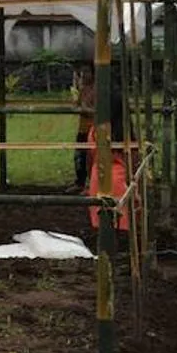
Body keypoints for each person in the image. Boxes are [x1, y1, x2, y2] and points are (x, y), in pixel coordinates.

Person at [85, 82, 131, 233]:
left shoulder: (96, 130)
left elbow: (90, 156)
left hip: (98, 176)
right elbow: (133, 159)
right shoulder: (126, 131)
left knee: (101, 225)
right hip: (121, 179)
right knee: (121, 224)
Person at [70, 62, 96, 193]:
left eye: (86, 72)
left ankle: (91, 185)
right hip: (82, 128)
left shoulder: (97, 89)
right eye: (82, 72)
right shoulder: (83, 89)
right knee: (79, 156)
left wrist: (85, 109)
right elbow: (78, 106)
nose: (84, 75)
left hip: (93, 130)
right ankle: (80, 182)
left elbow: (99, 111)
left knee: (90, 158)